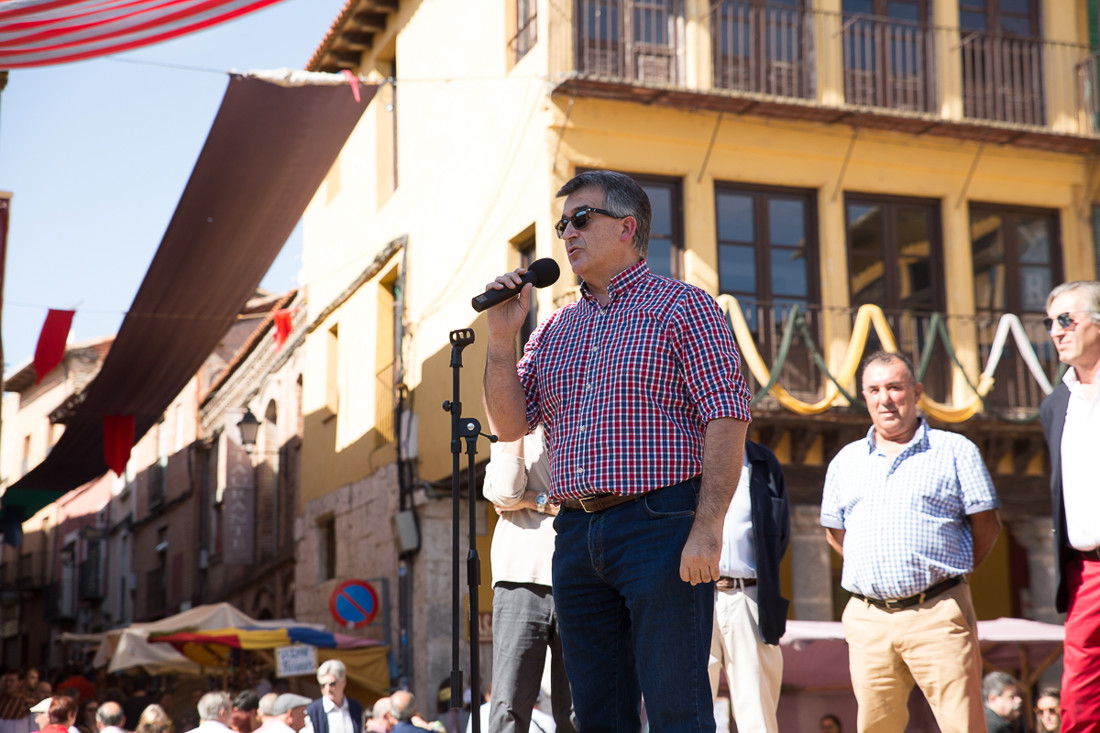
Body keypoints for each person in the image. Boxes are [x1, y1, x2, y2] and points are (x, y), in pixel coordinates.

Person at [482, 170, 752, 732]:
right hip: (576, 533)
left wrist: (708, 528)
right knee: (597, 715)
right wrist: (502, 341)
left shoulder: (685, 307)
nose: (567, 234)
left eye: (581, 219)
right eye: (563, 224)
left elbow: (726, 417)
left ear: (628, 227)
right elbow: (510, 425)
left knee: (677, 704)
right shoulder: (554, 327)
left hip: (661, 522)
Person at [820, 350, 1003, 733]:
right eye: (874, 389)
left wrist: (947, 576)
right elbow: (836, 534)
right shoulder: (845, 461)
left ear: (916, 391)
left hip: (937, 611)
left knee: (962, 724)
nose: (884, 398)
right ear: (865, 397)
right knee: (874, 726)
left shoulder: (956, 451)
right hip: (868, 618)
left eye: (894, 387)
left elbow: (987, 527)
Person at [482, 428, 575, 733]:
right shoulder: (512, 430)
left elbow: (580, 500)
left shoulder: (580, 418)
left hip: (579, 575)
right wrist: (544, 500)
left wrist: (528, 500)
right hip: (519, 576)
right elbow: (505, 492)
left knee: (578, 710)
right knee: (509, 705)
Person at [1040, 280, 1100, 733]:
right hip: (1086, 571)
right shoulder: (1055, 405)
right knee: (1078, 704)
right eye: (1050, 323)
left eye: (1066, 319)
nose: (1056, 331)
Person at [707, 439, 790, 733]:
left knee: (757, 711)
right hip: (694, 597)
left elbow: (779, 535)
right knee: (687, 705)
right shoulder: (685, 454)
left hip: (750, 596)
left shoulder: (763, 463)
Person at [302, 661, 363, 733]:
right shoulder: (312, 711)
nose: (327, 689)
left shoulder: (355, 708)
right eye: (323, 685)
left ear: (343, 682)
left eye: (332, 684)